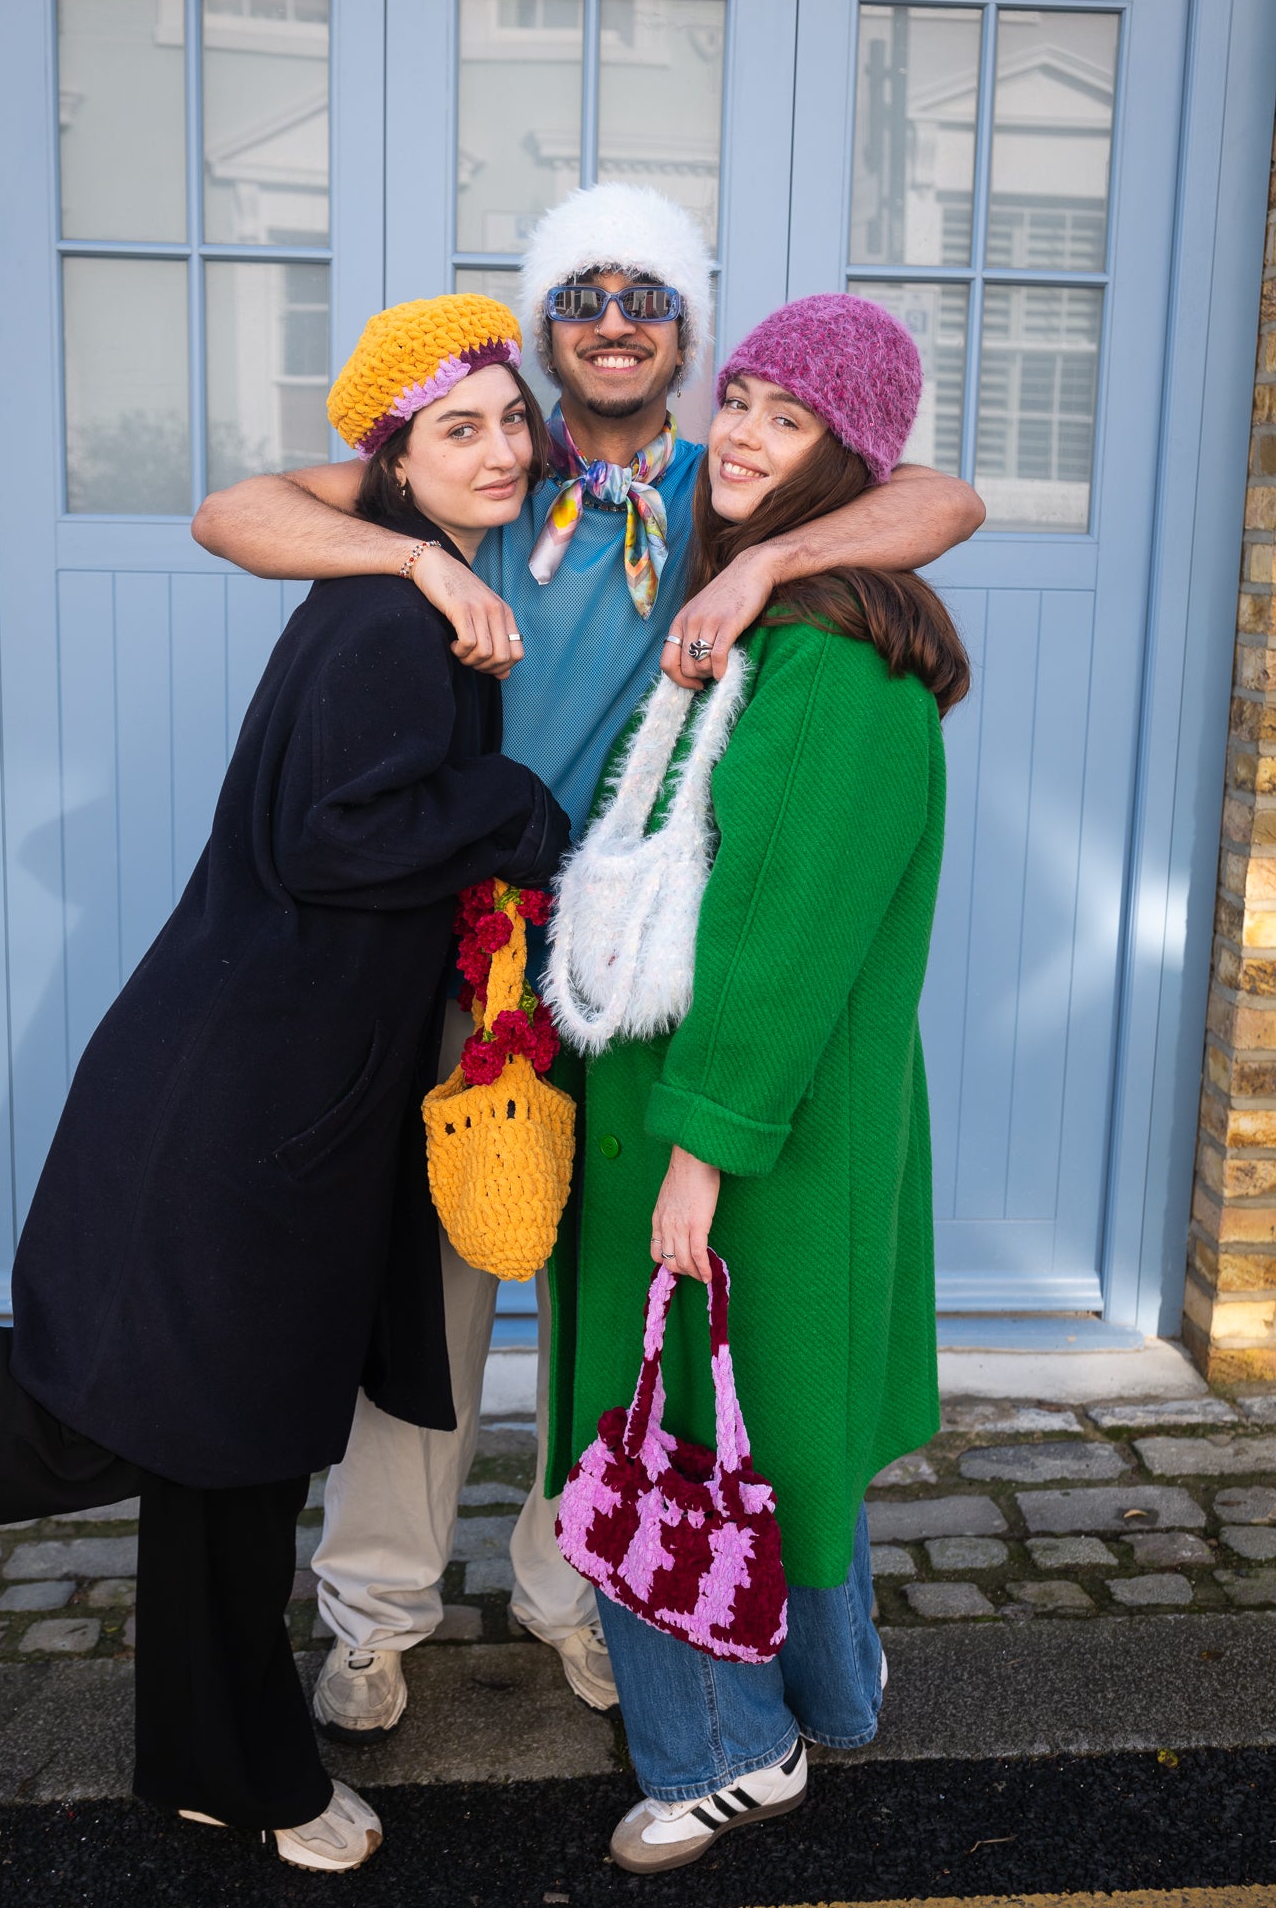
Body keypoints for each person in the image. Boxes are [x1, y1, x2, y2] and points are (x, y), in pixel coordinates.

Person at [191, 182, 985, 1740]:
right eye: (582, 295)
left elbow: (943, 501)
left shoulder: (728, 485)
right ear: (547, 326)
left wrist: (755, 567)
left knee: (606, 1296)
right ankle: (376, 1606)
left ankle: (583, 1590)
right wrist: (415, 563)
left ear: (686, 334)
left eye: (648, 297)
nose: (614, 319)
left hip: (634, 970)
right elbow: (231, 513)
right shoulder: (481, 466)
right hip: (459, 947)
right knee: (424, 1293)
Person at [0, 295, 567, 1874]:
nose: (497, 450)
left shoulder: (421, 590)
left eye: (509, 420)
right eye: (453, 427)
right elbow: (331, 839)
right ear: (388, 462)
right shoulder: (395, 618)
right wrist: (514, 800)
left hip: (282, 1097)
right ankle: (240, 1768)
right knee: (99, 1430)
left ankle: (228, 1768)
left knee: (238, 1452)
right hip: (233, 1112)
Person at [542, 293, 969, 1874]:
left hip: (741, 1122)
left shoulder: (832, 663)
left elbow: (781, 936)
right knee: (774, 1419)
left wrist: (699, 1156)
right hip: (749, 1108)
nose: (738, 433)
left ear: (842, 463)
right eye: (740, 398)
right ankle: (835, 1693)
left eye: (787, 419)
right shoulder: (768, 623)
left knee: (678, 1433)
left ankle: (727, 1750)